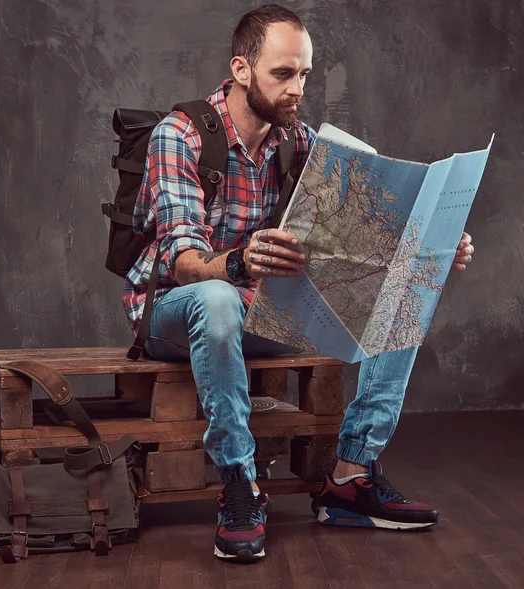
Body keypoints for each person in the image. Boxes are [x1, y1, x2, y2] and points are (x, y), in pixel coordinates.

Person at [122, 4, 476, 561]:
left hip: (262, 307)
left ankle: (350, 476)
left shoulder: (301, 139)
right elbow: (182, 258)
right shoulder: (180, 134)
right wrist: (238, 262)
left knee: (408, 280)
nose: (297, 89)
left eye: (304, 74)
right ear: (241, 70)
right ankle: (241, 484)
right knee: (215, 297)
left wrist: (432, 244)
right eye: (283, 74)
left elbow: (367, 230)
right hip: (176, 307)